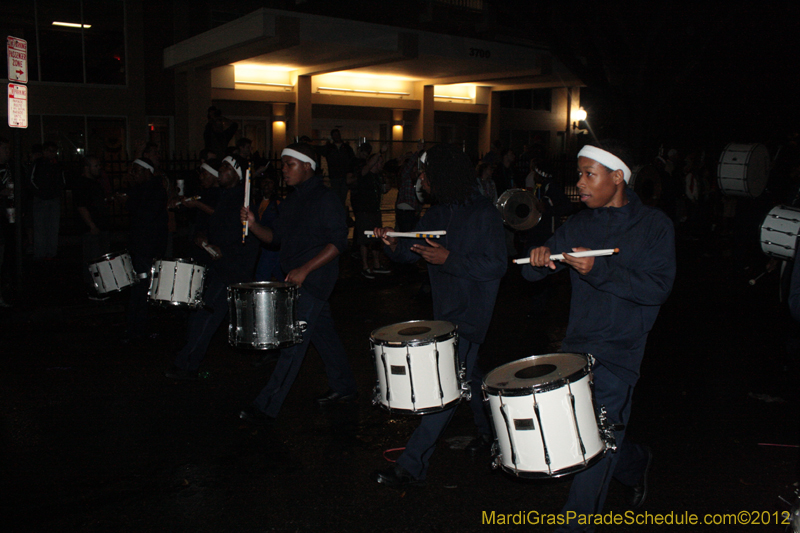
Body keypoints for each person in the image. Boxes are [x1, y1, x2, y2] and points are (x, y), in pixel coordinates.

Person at [522, 141, 675, 532]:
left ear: (617, 177)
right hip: (578, 348)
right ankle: (635, 462)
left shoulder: (654, 225)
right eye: (579, 174)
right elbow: (530, 272)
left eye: (589, 174)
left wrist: (598, 270)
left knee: (597, 441)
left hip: (621, 351)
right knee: (585, 435)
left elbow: (656, 289)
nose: (580, 183)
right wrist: (539, 261)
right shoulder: (579, 224)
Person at [372, 143, 507, 487]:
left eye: (424, 173)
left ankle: (411, 465)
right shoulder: (437, 213)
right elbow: (410, 251)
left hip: (471, 314)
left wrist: (450, 259)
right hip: (445, 314)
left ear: (442, 176)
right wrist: (392, 245)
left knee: (445, 388)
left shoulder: (483, 213)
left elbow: (495, 265)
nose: (420, 179)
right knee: (470, 377)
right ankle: (491, 435)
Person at [238, 143, 357, 423]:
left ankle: (266, 405)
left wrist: (304, 269)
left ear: (307, 166)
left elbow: (339, 242)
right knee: (323, 333)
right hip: (296, 280)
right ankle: (345, 386)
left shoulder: (325, 199)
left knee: (292, 345)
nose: (283, 170)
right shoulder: (291, 200)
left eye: (289, 164)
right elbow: (275, 238)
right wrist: (254, 224)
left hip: (313, 280)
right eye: (283, 165)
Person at [166, 155, 259, 380]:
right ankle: (189, 359)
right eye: (221, 167)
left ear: (237, 174)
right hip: (219, 265)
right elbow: (214, 223)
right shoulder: (224, 196)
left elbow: (243, 236)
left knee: (206, 316)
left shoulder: (243, 199)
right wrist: (203, 237)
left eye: (226, 167)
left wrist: (224, 250)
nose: (221, 171)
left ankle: (187, 363)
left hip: (231, 267)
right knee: (205, 315)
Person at [123, 157, 168, 343]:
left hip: (146, 247)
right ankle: (135, 327)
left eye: (137, 171)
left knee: (141, 289)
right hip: (141, 246)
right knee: (139, 288)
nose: (134, 175)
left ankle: (136, 329)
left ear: (147, 172)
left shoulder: (154, 190)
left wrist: (129, 200)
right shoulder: (145, 189)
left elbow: (145, 217)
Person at [74, 155, 113, 297]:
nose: (99, 168)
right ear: (87, 167)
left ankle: (101, 286)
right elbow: (81, 206)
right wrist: (91, 225)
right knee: (92, 259)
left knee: (102, 258)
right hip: (92, 228)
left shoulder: (96, 183)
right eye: (95, 166)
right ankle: (92, 287)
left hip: (101, 225)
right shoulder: (82, 183)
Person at [29, 141, 65, 259]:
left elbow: (62, 180)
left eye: (53, 151)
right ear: (44, 152)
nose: (51, 153)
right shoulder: (38, 163)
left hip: (53, 198)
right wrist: (40, 191)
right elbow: (31, 179)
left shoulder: (57, 165)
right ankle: (40, 253)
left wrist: (58, 192)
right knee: (40, 227)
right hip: (41, 198)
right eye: (49, 151)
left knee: (53, 227)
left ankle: (51, 252)